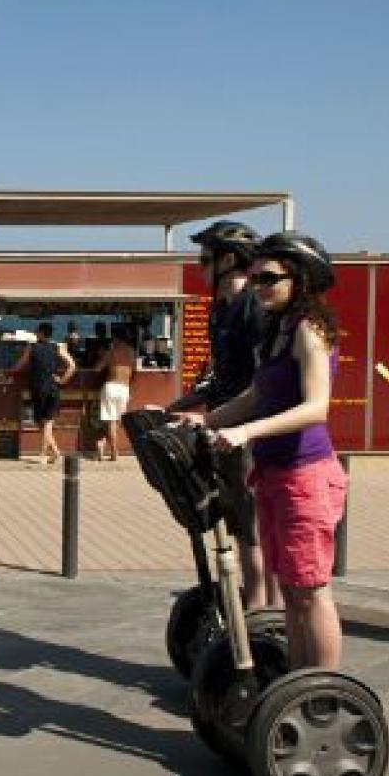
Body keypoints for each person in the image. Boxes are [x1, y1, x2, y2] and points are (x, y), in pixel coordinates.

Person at [192, 232, 346, 670]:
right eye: (255, 277)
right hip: (274, 472)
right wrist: (206, 420)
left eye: (268, 278)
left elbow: (317, 408)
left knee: (312, 591)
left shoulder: (309, 332)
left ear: (300, 280)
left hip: (307, 475)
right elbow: (254, 396)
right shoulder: (275, 331)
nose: (257, 286)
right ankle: (297, 681)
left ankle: (325, 689)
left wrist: (247, 432)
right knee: (292, 592)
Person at [165, 221, 275, 609]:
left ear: (229, 260)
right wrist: (178, 406)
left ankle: (262, 608)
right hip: (224, 426)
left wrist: (225, 421)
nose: (200, 267)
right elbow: (221, 377)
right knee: (239, 522)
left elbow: (262, 383)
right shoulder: (221, 308)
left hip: (247, 430)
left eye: (206, 259)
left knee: (253, 525)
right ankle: (254, 603)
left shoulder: (254, 308)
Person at [9, 322, 76, 466]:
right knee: (47, 424)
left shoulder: (32, 347)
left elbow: (19, 365)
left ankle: (43, 455)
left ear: (40, 333)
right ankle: (56, 452)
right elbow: (72, 366)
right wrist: (63, 380)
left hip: (39, 388)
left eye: (36, 331)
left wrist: (9, 371)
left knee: (43, 423)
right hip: (53, 388)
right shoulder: (58, 347)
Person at [88, 324, 136, 461]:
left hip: (110, 387)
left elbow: (97, 369)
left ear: (116, 338)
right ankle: (106, 445)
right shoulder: (131, 352)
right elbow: (135, 371)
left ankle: (112, 451)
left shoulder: (111, 352)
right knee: (118, 421)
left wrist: (101, 356)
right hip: (124, 388)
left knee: (111, 422)